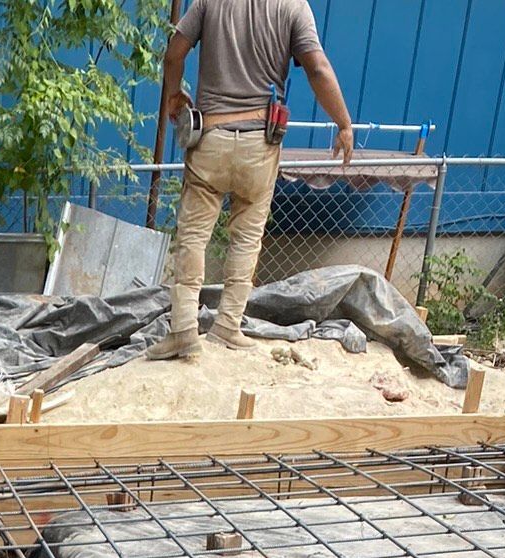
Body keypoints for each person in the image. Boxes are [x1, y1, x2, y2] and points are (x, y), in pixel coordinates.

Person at [150, 0, 356, 360]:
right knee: (246, 237)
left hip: (209, 137)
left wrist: (173, 95)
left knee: (193, 235)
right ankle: (228, 325)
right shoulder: (294, 7)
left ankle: (183, 330)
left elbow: (173, 54)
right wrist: (343, 123)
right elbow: (318, 68)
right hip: (260, 142)